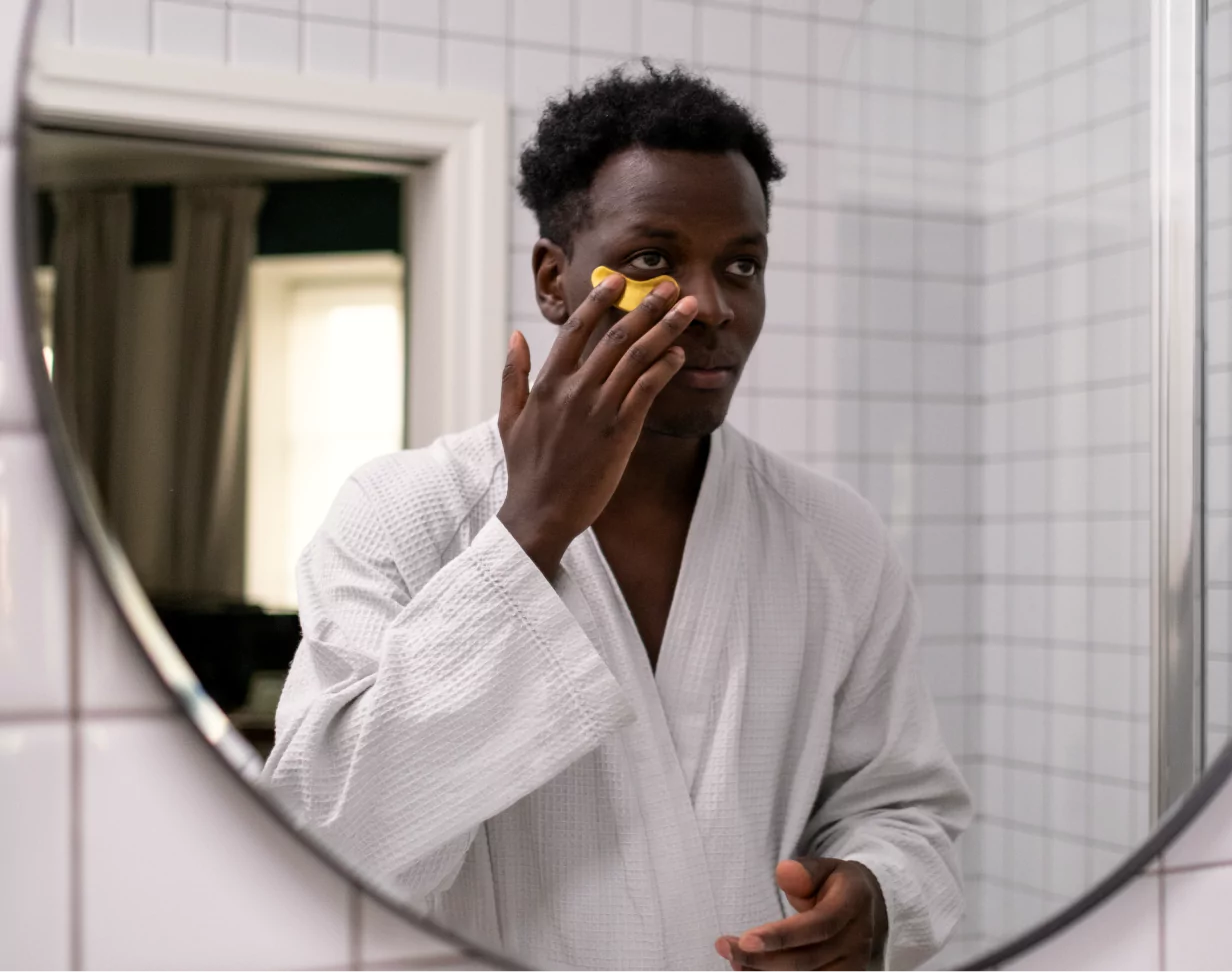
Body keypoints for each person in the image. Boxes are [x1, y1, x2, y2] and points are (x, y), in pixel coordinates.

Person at [262, 63, 971, 972]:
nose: (712, 305)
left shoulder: (834, 536)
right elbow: (328, 843)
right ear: (555, 281)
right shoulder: (400, 513)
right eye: (652, 260)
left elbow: (903, 807)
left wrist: (874, 897)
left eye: (742, 265)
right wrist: (530, 530)